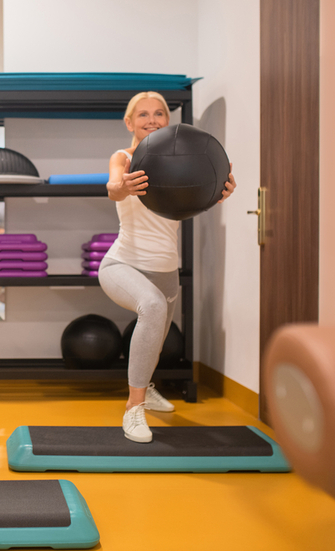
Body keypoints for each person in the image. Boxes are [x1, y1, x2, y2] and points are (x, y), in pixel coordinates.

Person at [102, 91, 236, 443]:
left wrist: (218, 190)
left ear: (168, 120)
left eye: (159, 113)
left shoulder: (184, 159)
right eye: (142, 114)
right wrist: (122, 186)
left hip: (166, 269)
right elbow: (114, 187)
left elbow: (200, 194)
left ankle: (146, 386)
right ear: (129, 122)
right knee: (152, 306)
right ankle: (134, 408)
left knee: (157, 337)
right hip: (121, 264)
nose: (151, 120)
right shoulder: (125, 158)